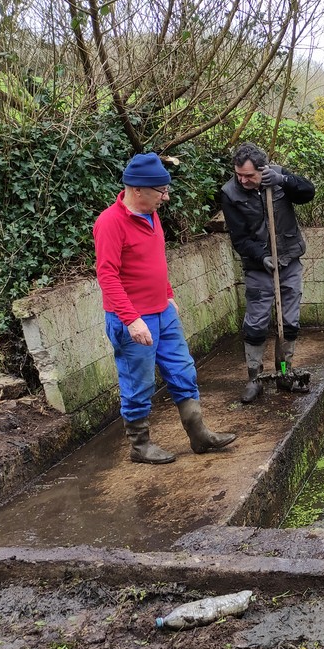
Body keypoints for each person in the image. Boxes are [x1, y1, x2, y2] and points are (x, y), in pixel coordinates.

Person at [94, 152, 237, 463]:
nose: (166, 197)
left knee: (183, 370)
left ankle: (198, 434)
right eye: (161, 191)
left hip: (163, 312)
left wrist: (168, 293)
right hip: (132, 319)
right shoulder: (110, 222)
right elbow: (107, 275)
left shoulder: (152, 215)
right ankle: (140, 446)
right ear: (138, 189)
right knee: (138, 382)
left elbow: (155, 261)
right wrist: (131, 320)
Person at [218, 142, 316, 402]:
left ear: (263, 169)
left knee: (289, 322)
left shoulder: (278, 178)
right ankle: (254, 378)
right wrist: (262, 257)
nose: (243, 180)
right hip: (259, 266)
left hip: (290, 261)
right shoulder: (230, 193)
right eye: (239, 174)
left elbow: (308, 192)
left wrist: (284, 180)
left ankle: (285, 373)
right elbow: (239, 239)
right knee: (256, 323)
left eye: (249, 175)